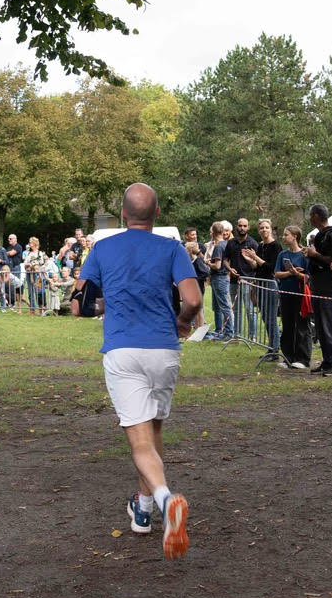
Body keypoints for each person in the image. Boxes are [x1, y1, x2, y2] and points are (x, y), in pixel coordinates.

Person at [74, 182, 199, 560]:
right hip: (163, 348)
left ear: (123, 215)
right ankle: (142, 511)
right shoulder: (172, 248)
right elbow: (193, 299)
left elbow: (79, 305)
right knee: (154, 428)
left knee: (141, 442)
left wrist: (102, 307)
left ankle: (165, 500)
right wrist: (181, 322)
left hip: (123, 349)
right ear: (157, 214)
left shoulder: (102, 249)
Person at [303, 204, 332, 377]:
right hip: (317, 286)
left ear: (317, 216)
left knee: (330, 325)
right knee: (320, 326)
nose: (309, 218)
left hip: (329, 286)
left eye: (311, 215)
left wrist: (315, 255)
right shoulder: (320, 235)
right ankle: (327, 361)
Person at [273, 224, 312, 370]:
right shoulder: (282, 255)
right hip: (285, 294)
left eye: (286, 234)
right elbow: (277, 273)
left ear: (295, 236)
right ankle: (288, 356)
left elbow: (308, 276)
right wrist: (290, 273)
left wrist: (297, 274)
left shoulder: (304, 255)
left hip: (301, 295)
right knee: (287, 325)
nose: (284, 237)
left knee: (302, 326)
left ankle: (303, 358)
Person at [243, 219, 281, 356]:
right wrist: (250, 260)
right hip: (260, 284)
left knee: (271, 317)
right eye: (262, 228)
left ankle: (275, 349)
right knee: (264, 316)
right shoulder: (260, 246)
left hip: (270, 283)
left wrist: (255, 257)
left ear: (271, 229)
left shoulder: (276, 246)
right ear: (258, 231)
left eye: (266, 227)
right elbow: (257, 267)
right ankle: (271, 347)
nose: (264, 230)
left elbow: (271, 267)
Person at [223, 218, 259, 342]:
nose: (242, 228)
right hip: (234, 281)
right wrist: (229, 269)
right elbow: (225, 260)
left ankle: (253, 336)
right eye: (240, 225)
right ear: (236, 227)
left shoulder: (253, 243)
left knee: (249, 309)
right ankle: (237, 335)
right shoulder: (231, 242)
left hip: (248, 281)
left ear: (248, 227)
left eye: (245, 226)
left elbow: (257, 264)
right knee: (236, 310)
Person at [206, 221, 233, 340]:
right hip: (223, 277)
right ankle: (219, 330)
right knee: (218, 306)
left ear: (213, 232)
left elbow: (217, 266)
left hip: (219, 278)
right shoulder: (226, 244)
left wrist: (208, 263)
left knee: (224, 306)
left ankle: (228, 333)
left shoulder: (218, 246)